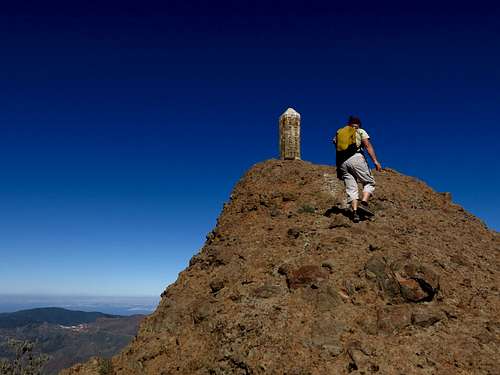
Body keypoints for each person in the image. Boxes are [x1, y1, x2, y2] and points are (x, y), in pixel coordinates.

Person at [333, 115, 382, 223]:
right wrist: (375, 161)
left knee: (352, 188)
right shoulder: (360, 131)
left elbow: (336, 147)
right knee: (369, 182)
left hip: (342, 163)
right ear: (358, 125)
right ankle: (364, 204)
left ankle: (355, 212)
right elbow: (367, 145)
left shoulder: (339, 133)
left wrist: (339, 169)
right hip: (356, 158)